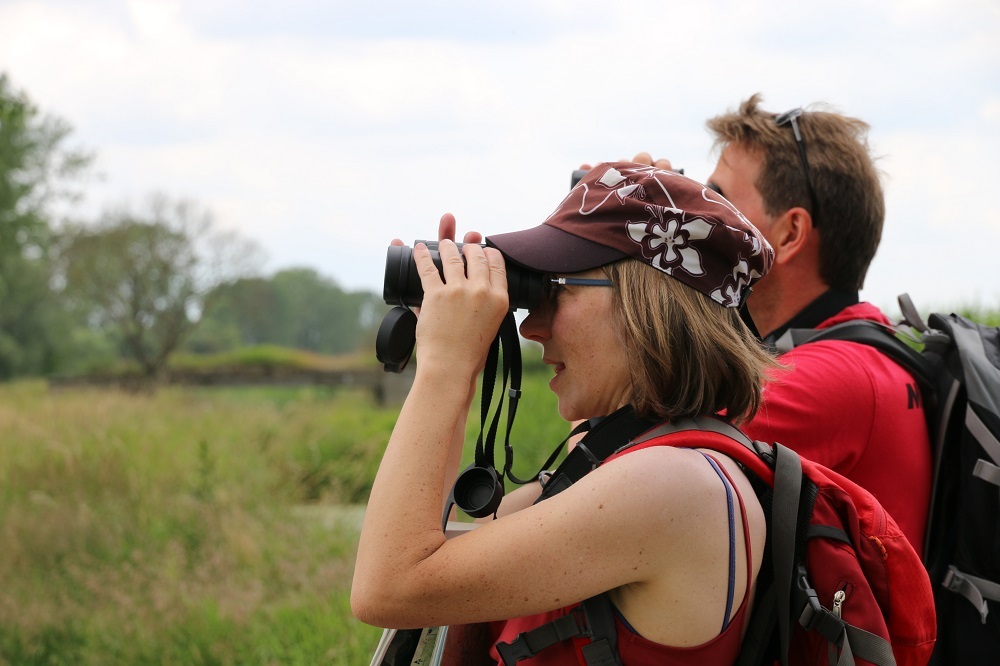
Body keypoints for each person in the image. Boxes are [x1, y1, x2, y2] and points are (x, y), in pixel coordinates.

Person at [352, 162, 777, 663]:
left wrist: (445, 367)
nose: (532, 327)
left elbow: (389, 586)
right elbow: (432, 543)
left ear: (646, 303)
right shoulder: (629, 459)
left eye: (557, 290)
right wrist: (453, 359)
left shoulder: (673, 485)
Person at [626, 93, 932, 553]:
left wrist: (623, 261)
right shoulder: (859, 350)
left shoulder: (827, 379)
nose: (696, 216)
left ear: (789, 234)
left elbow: (615, 480)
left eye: (719, 198)